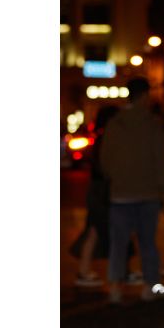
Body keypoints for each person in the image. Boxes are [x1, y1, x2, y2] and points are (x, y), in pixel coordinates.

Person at [99, 77, 164, 303]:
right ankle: (150, 286)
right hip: (148, 193)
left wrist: (116, 176)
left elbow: (105, 159)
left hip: (120, 194)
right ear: (145, 96)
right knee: (147, 242)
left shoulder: (116, 123)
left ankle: (115, 287)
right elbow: (162, 159)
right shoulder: (152, 124)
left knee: (119, 244)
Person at [70, 105, 120, 287]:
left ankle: (84, 271)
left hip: (98, 191)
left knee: (95, 230)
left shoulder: (102, 138)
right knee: (95, 231)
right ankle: (84, 272)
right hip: (101, 192)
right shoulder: (106, 139)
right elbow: (104, 168)